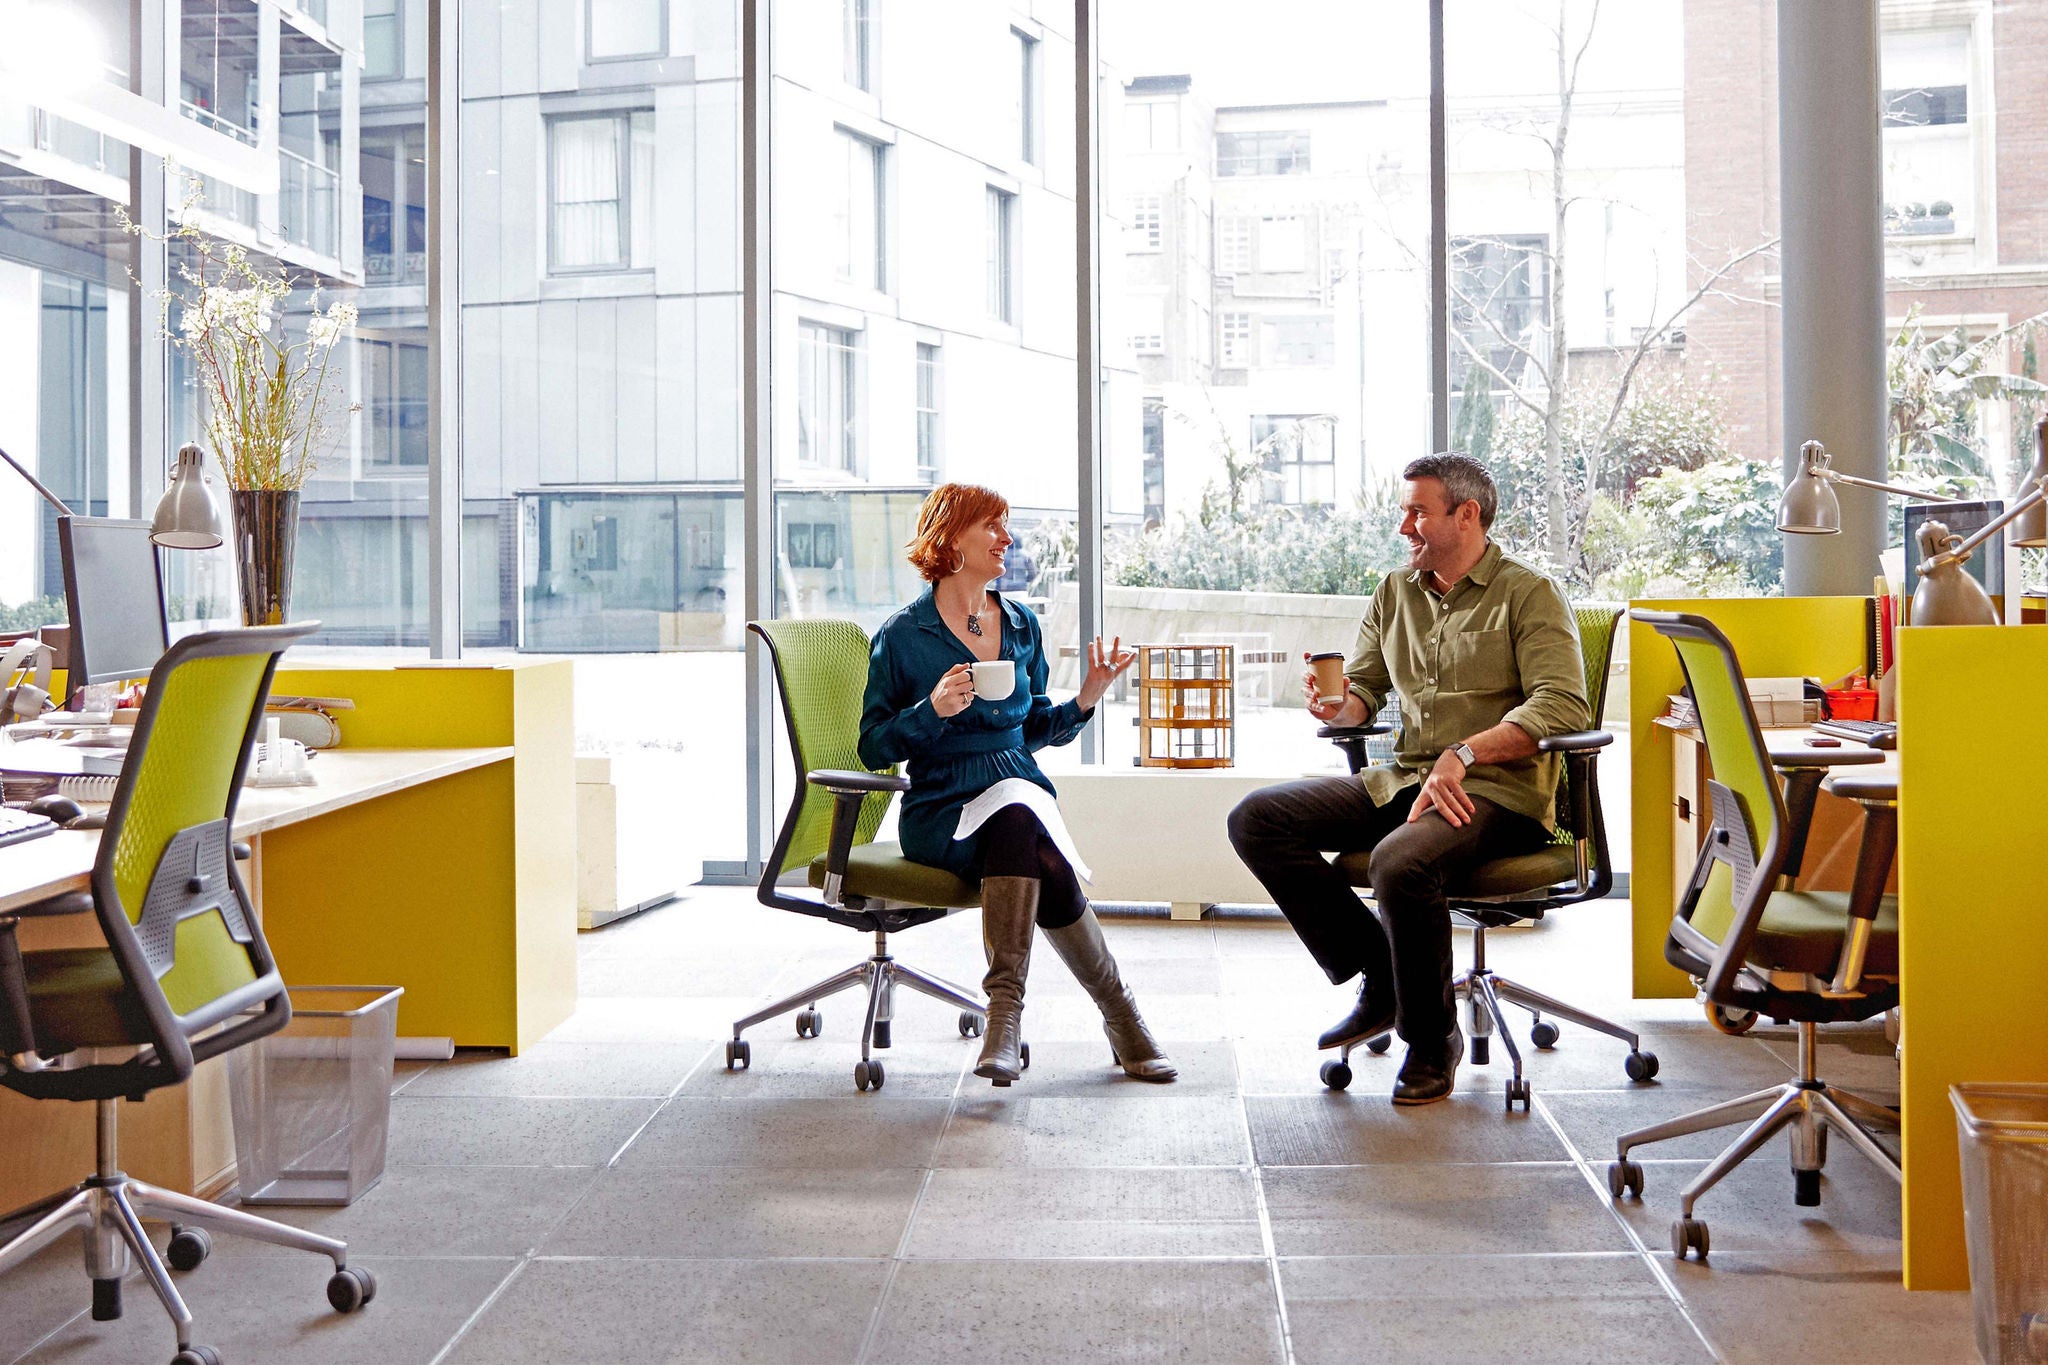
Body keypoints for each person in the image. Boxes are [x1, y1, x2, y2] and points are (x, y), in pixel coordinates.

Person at [1226, 454, 1589, 1105]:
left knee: (1399, 861)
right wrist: (1341, 707)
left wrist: (1465, 753)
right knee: (1257, 818)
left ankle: (1430, 1039)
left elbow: (1562, 706)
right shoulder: (1395, 592)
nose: (1403, 527)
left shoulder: (1529, 592)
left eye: (1417, 512)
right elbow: (1364, 690)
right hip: (1406, 781)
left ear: (1466, 515)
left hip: (1496, 794)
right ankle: (1383, 974)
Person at [859, 483, 1176, 1087]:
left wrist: (1086, 698)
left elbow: (1031, 731)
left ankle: (1006, 1020)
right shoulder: (902, 636)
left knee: (1020, 817)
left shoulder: (1022, 624)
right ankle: (1120, 1017)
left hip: (1016, 788)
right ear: (952, 536)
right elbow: (873, 747)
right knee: (1033, 840)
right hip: (942, 809)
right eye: (993, 526)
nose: (1007, 539)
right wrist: (930, 711)